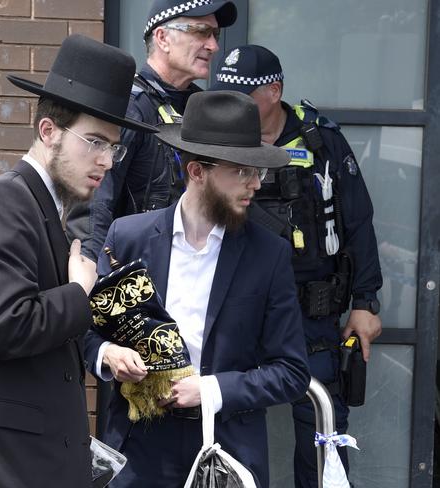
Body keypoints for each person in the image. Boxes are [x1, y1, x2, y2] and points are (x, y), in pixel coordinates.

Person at [0, 34, 156, 488]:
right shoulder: (5, 201)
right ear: (48, 131)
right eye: (95, 142)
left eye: (114, 147)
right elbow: (1, 322)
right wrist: (79, 293)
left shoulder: (42, 207)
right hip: (5, 466)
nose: (107, 161)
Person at [84, 90, 311, 488]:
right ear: (197, 172)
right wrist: (109, 354)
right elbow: (88, 331)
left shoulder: (268, 254)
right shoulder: (128, 237)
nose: (255, 184)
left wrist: (210, 389)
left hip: (227, 448)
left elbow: (291, 372)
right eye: (242, 170)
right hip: (139, 448)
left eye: (257, 171)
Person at [210, 44, 383, 487]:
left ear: (273, 91)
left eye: (241, 95)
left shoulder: (320, 139)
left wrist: (366, 301)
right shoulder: (220, 139)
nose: (231, 105)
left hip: (312, 314)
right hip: (238, 308)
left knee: (322, 429)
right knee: (228, 424)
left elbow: (358, 221)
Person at [67, 0, 238, 261]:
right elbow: (94, 209)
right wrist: (93, 278)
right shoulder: (131, 109)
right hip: (138, 284)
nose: (213, 46)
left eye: (215, 35)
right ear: (163, 38)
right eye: (201, 32)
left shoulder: (203, 110)